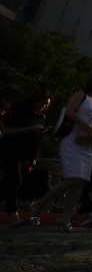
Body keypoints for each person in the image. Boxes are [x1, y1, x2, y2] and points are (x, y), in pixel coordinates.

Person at [31, 76, 92, 231]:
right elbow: (70, 112)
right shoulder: (81, 95)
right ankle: (39, 204)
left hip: (88, 143)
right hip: (73, 139)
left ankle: (65, 217)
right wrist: (86, 125)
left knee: (81, 181)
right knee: (74, 178)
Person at [0, 91, 51, 228]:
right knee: (14, 181)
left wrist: (32, 157)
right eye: (41, 103)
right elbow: (5, 132)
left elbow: (34, 140)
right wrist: (30, 128)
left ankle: (12, 216)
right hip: (10, 151)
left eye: (46, 104)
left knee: (6, 185)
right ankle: (13, 216)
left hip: (22, 154)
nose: (43, 106)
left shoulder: (37, 116)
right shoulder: (21, 114)